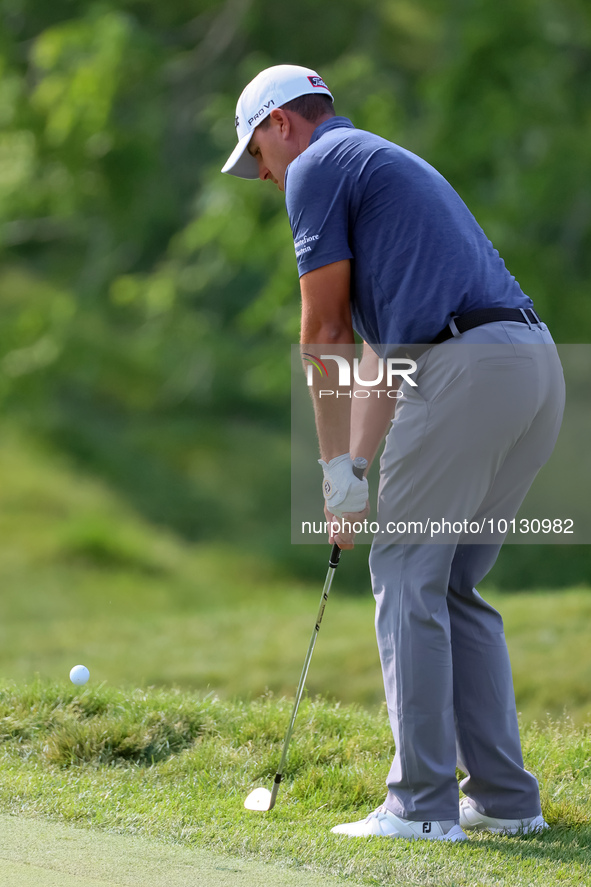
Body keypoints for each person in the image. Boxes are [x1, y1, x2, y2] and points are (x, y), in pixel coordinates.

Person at [222, 64, 565, 842]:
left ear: (282, 123)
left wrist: (329, 469)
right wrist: (353, 472)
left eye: (258, 159)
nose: (267, 180)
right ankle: (507, 801)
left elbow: (325, 336)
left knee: (406, 576)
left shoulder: (315, 165)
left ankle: (418, 804)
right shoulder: (378, 166)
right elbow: (387, 356)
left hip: (468, 371)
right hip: (530, 367)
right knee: (450, 586)